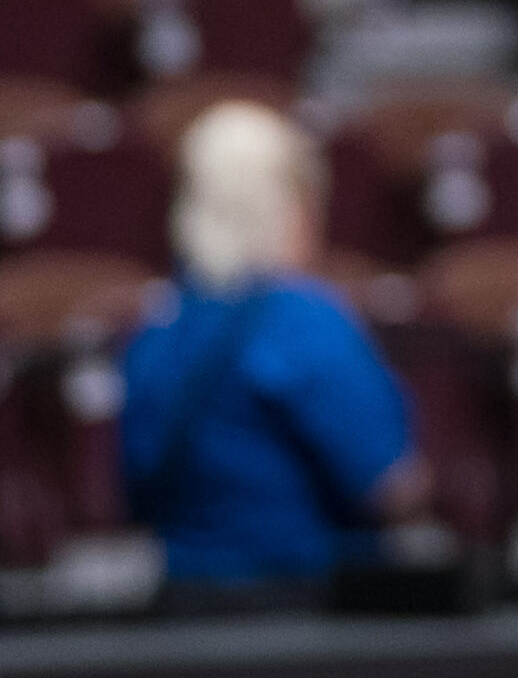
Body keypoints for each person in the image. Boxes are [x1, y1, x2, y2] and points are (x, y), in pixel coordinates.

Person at [120, 102, 429, 598]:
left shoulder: (159, 327)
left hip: (187, 609)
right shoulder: (304, 319)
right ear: (290, 204)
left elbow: (136, 492)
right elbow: (392, 485)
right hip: (308, 608)